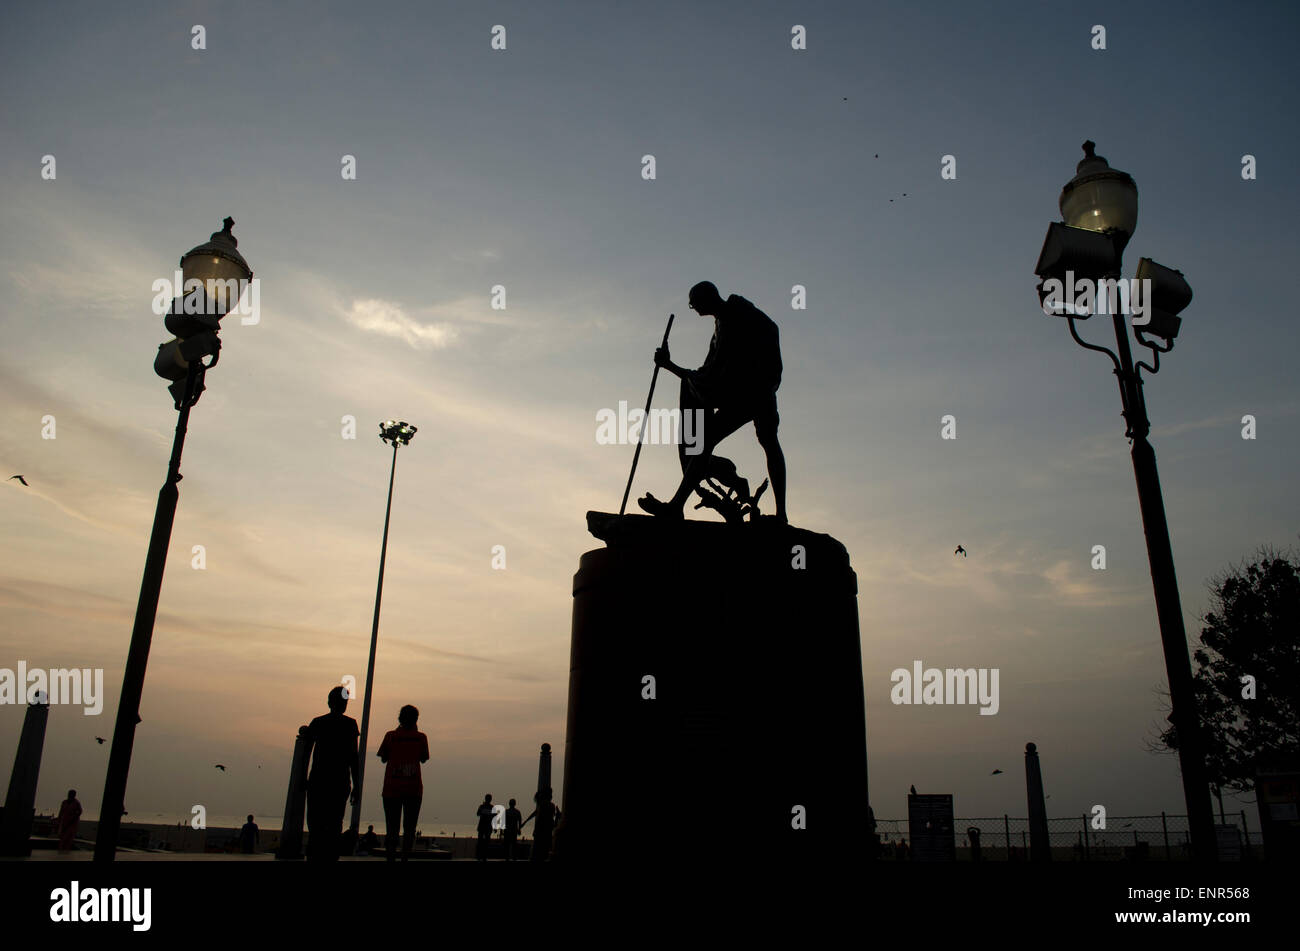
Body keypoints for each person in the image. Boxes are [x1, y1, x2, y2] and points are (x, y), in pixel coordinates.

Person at [638, 281, 787, 523]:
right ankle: (678, 505)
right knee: (762, 443)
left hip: (753, 393)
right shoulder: (721, 325)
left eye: (694, 303)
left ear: (706, 299)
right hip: (749, 393)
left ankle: (780, 514)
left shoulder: (735, 318)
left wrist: (670, 366)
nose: (693, 308)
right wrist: (675, 368)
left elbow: (711, 376)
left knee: (764, 443)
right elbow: (708, 372)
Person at [305, 685, 361, 862]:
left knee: (316, 824)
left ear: (329, 702)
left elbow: (306, 753)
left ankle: (317, 856)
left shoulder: (318, 723)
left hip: (319, 781)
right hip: (338, 782)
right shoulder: (349, 725)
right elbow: (354, 758)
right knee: (334, 824)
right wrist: (357, 785)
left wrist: (302, 778)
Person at [377, 704, 429, 862]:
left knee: (391, 827)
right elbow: (424, 758)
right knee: (409, 828)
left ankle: (391, 857)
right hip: (413, 789)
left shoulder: (390, 736)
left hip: (391, 788)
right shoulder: (421, 737)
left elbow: (383, 757)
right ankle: (405, 858)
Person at [521, 788, 559, 862]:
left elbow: (537, 817)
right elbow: (552, 819)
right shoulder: (551, 805)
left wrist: (525, 823)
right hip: (547, 830)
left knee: (537, 850)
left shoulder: (542, 805)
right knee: (544, 850)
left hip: (541, 831)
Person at [475, 794, 495, 861]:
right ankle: (479, 856)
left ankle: (483, 856)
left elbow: (494, 816)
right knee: (481, 842)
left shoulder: (489, 807)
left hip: (486, 826)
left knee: (485, 842)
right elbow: (478, 813)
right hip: (484, 826)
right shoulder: (482, 806)